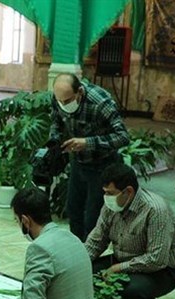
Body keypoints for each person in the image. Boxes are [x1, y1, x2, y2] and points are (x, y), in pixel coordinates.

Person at [85, 163, 175, 299]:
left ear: (128, 191)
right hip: (124, 260)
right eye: (105, 192)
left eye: (110, 193)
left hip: (161, 270)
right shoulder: (111, 207)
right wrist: (80, 261)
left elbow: (156, 259)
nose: (106, 197)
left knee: (130, 291)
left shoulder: (155, 210)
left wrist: (118, 268)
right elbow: (96, 241)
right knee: (87, 273)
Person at [50, 73, 130, 242]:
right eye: (60, 101)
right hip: (78, 162)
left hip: (102, 164)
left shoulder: (100, 102)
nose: (63, 105)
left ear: (79, 92)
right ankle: (76, 249)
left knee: (92, 216)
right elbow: (56, 121)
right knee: (73, 209)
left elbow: (123, 137)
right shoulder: (59, 97)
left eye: (67, 101)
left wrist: (88, 143)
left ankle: (90, 252)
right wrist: (55, 141)